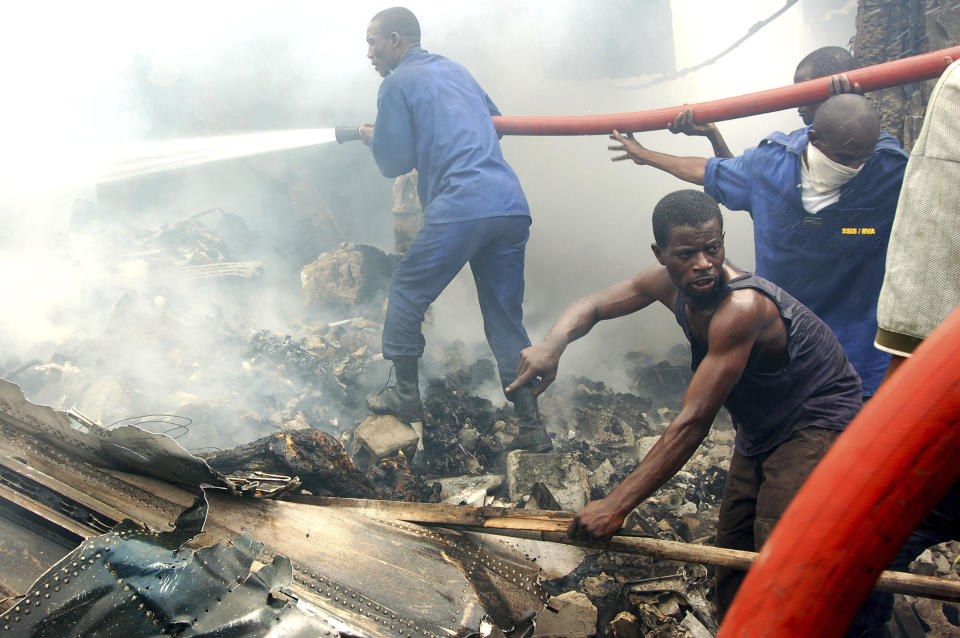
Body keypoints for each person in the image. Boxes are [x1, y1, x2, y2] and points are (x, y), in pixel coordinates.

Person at [507, 189, 863, 620]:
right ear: (660, 254)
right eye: (686, 254)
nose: (703, 264)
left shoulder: (741, 307)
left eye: (713, 249)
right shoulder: (667, 285)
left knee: (780, 553)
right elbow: (593, 305)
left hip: (817, 423)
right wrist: (552, 344)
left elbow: (694, 422)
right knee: (731, 555)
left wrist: (617, 505)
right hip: (762, 429)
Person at [607, 93, 907, 399]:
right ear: (814, 139)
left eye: (861, 157)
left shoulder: (891, 172)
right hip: (786, 349)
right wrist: (645, 155)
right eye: (843, 158)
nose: (853, 166)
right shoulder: (771, 167)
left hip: (861, 355)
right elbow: (710, 171)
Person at [359, 7, 550, 451]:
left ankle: (406, 395)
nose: (367, 53)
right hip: (508, 204)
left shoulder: (395, 83)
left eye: (372, 42)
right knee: (505, 319)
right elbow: (493, 124)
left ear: (395, 40)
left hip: (461, 204)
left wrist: (377, 138)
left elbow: (392, 163)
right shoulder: (456, 70)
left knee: (406, 289)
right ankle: (533, 431)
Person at [669, 46, 861, 159]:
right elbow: (744, 178)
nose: (798, 106)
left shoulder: (878, 152)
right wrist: (712, 134)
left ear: (834, 90)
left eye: (805, 93)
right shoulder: (790, 153)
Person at [391, 169, 423, 254]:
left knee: (414, 245)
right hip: (402, 215)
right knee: (401, 247)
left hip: (413, 215)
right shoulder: (402, 176)